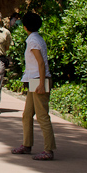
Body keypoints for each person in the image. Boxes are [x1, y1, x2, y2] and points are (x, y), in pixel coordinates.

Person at [11, 12, 57, 161]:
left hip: (39, 80)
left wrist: (42, 83)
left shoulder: (33, 41)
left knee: (42, 116)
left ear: (24, 27)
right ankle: (26, 145)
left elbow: (41, 63)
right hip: (35, 80)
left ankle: (48, 150)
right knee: (27, 115)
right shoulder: (36, 38)